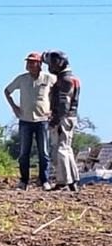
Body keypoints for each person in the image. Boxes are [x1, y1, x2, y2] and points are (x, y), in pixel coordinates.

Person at [3, 51, 54, 189]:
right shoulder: (21, 79)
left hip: (42, 120)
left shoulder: (49, 79)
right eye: (28, 62)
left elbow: (58, 93)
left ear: (39, 64)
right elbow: (7, 91)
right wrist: (14, 107)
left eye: (33, 62)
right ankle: (23, 181)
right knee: (24, 153)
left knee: (43, 152)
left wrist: (53, 110)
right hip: (25, 120)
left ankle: (44, 181)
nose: (30, 65)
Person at [43, 50, 81, 191]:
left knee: (60, 150)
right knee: (67, 148)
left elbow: (63, 102)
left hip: (63, 118)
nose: (50, 66)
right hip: (71, 117)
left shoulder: (64, 80)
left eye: (52, 63)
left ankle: (63, 181)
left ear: (59, 63)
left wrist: (56, 119)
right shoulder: (73, 79)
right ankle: (73, 180)